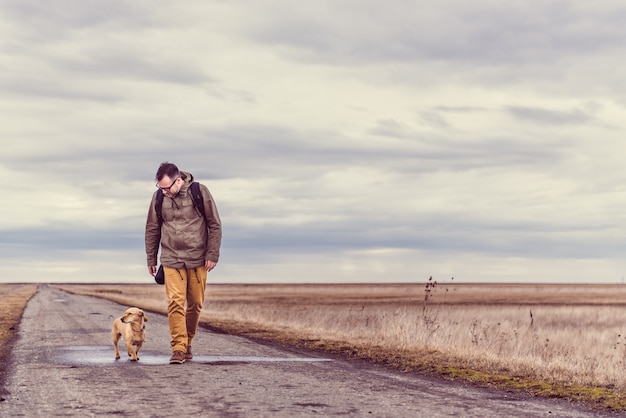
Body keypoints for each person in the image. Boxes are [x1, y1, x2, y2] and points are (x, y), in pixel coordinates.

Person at [145, 162, 222, 364]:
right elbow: (152, 228)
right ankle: (178, 348)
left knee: (195, 304)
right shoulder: (159, 197)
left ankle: (188, 343)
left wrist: (212, 254)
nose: (165, 192)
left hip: (198, 260)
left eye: (167, 187)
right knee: (175, 303)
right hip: (171, 259)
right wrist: (151, 258)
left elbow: (214, 224)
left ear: (178, 180)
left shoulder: (199, 192)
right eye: (160, 188)